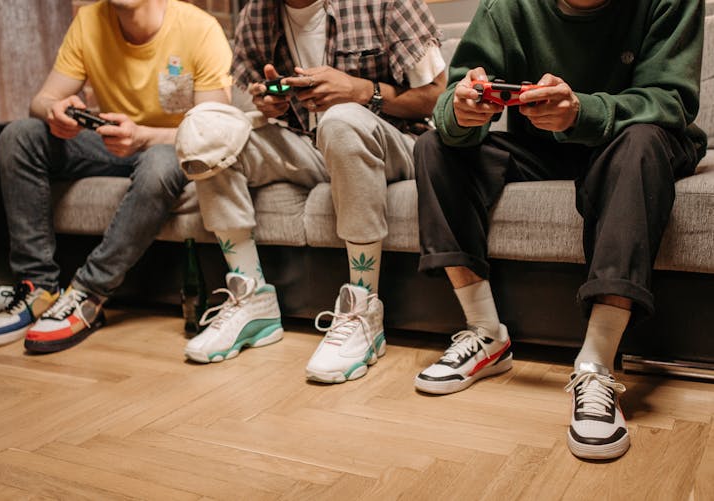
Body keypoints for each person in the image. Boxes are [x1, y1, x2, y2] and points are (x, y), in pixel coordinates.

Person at [412, 0, 706, 460]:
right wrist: (462, 111)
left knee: (639, 144)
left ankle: (596, 364)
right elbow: (452, 103)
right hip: (546, 143)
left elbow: (671, 101)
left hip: (637, 138)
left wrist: (581, 112)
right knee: (433, 147)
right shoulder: (509, 7)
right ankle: (486, 333)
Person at [179, 0, 446, 383]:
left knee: (340, 121)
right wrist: (268, 102)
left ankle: (362, 309)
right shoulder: (257, 13)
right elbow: (258, 93)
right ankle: (253, 298)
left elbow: (438, 97)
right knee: (206, 126)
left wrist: (361, 91)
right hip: (307, 143)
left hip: (396, 140)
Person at [0, 0, 233, 352]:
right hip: (107, 143)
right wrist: (54, 110)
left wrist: (142, 136)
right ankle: (38, 287)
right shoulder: (89, 21)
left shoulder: (199, 29)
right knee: (19, 136)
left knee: (158, 163)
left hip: (171, 145)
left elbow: (213, 128)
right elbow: (42, 99)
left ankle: (87, 294)